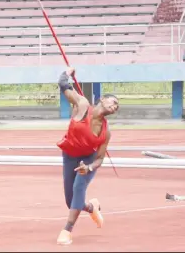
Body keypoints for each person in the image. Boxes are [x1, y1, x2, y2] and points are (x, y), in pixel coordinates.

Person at [56, 67, 119, 245]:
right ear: (102, 99)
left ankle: (67, 231)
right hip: (69, 156)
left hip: (88, 160)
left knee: (78, 189)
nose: (114, 107)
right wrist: (69, 72)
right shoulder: (82, 105)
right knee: (71, 202)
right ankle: (92, 207)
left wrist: (89, 167)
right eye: (113, 102)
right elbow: (62, 83)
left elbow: (100, 158)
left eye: (116, 107)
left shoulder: (106, 132)